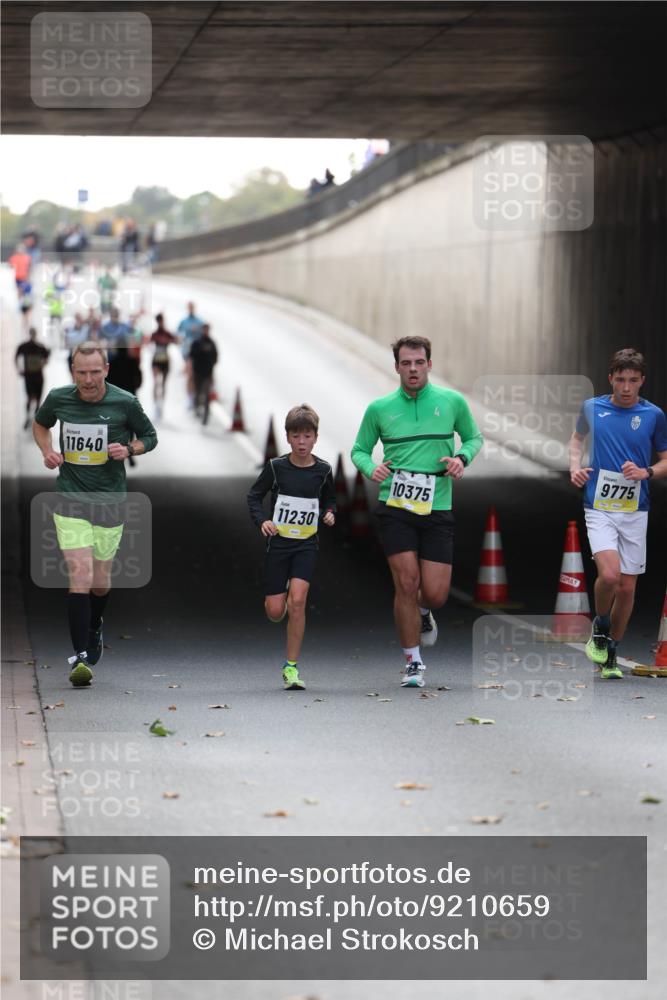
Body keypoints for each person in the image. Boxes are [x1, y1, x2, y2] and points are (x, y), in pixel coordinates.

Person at [351, 336, 483, 688]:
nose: (413, 369)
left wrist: (461, 459)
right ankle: (413, 662)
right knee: (406, 584)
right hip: (396, 506)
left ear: (429, 364)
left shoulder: (451, 402)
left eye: (419, 362)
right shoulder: (379, 409)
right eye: (406, 363)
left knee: (436, 593)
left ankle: (424, 613)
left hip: (438, 506)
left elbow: (474, 438)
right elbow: (359, 450)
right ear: (396, 367)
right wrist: (371, 469)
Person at [32, 342, 158, 687]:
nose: (88, 379)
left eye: (95, 372)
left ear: (106, 370)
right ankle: (80, 657)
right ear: (73, 370)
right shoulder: (59, 398)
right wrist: (48, 450)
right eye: (81, 372)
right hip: (71, 499)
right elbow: (40, 424)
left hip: (110, 502)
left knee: (100, 583)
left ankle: (94, 626)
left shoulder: (124, 402)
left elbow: (150, 436)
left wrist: (129, 448)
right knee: (80, 574)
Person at [569, 348, 667, 679]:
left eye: (633, 381)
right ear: (611, 378)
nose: (626, 387)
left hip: (635, 510)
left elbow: (666, 460)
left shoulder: (654, 415)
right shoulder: (592, 408)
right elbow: (576, 440)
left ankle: (611, 651)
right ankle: (600, 626)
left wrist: (647, 472)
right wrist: (575, 468)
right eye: (621, 380)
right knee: (610, 576)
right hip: (598, 506)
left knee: (627, 589)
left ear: (642, 381)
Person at [247, 404, 336, 690]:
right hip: (280, 545)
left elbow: (330, 499)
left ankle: (291, 667)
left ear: (316, 437)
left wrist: (330, 513)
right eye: (296, 436)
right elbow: (254, 496)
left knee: (298, 600)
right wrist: (263, 521)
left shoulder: (323, 470)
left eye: (307, 436)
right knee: (276, 610)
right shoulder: (276, 468)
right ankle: (275, 603)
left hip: (306, 545)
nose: (302, 442)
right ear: (287, 438)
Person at [15, 327, 50, 429]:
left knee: (38, 399)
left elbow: (47, 357)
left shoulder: (40, 347)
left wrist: (42, 364)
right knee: (29, 398)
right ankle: (28, 417)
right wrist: (19, 369)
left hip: (38, 376)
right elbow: (16, 357)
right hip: (29, 376)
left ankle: (36, 419)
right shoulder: (24, 346)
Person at [150, 313, 179, 419]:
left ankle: (161, 404)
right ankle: (155, 404)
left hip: (165, 361)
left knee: (163, 384)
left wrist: (172, 340)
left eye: (162, 320)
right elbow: (148, 342)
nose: (160, 323)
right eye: (159, 321)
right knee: (156, 382)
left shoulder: (167, 333)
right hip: (156, 360)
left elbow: (176, 341)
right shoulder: (155, 333)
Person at [189, 323, 218, 425]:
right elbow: (191, 356)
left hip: (207, 373)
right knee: (198, 392)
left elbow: (215, 358)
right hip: (197, 372)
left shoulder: (211, 343)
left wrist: (211, 371)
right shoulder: (197, 342)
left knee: (206, 394)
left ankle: (206, 413)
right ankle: (197, 408)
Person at [177, 301, 205, 406]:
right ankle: (190, 397)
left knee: (199, 373)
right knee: (190, 374)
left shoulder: (199, 321)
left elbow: (204, 334)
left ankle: (201, 393)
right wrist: (180, 339)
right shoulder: (184, 322)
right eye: (189, 307)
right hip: (188, 351)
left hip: (198, 352)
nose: (191, 309)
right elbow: (177, 333)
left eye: (192, 307)